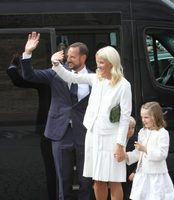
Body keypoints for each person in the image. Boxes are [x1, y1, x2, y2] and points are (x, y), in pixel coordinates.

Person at [51, 45, 132, 200]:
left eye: (101, 62)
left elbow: (124, 117)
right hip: (93, 136)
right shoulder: (95, 78)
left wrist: (120, 145)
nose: (98, 66)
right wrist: (56, 64)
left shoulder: (124, 85)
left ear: (111, 63)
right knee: (98, 181)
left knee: (114, 181)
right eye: (97, 62)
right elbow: (71, 77)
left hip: (112, 139)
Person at [20, 32, 93, 200]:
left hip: (85, 134)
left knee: (85, 181)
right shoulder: (56, 72)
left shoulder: (94, 78)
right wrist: (28, 53)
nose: (68, 60)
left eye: (73, 57)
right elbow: (29, 76)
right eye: (67, 56)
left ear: (83, 58)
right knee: (63, 180)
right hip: (60, 133)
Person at [7, 53, 56, 200]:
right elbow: (20, 81)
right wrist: (13, 66)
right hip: (46, 127)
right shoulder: (46, 80)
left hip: (65, 129)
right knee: (50, 166)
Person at [126, 101, 174, 200]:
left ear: (156, 116)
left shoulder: (163, 133)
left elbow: (162, 154)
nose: (143, 120)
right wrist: (126, 156)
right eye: (142, 117)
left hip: (156, 176)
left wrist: (145, 149)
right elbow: (138, 153)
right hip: (142, 174)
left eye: (146, 117)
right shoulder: (142, 132)